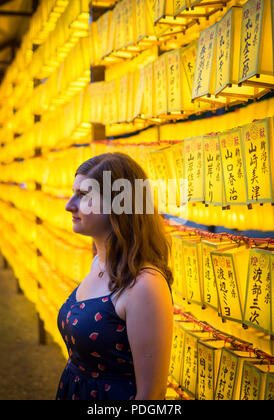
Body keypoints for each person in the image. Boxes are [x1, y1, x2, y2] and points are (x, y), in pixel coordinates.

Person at [55, 152, 174, 400]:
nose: (69, 205)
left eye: (84, 195)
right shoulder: (98, 262)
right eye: (74, 193)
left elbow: (151, 395)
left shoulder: (144, 285)